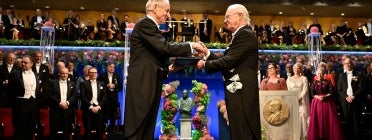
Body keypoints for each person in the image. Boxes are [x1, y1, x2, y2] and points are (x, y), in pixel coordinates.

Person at [123, 0, 205, 139]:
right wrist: (191, 45)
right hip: (142, 85)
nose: (168, 15)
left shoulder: (150, 26)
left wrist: (168, 68)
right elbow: (164, 48)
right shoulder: (145, 23)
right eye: (166, 10)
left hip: (149, 84)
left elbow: (152, 57)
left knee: (146, 128)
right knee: (139, 128)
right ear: (155, 8)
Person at [196, 4, 261, 139]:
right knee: (238, 131)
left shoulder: (245, 35)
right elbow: (228, 60)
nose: (225, 20)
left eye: (227, 17)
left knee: (243, 132)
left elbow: (228, 62)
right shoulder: (240, 35)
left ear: (240, 16)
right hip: (237, 94)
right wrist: (207, 53)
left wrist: (205, 64)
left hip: (242, 95)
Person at [8, 55, 40, 140]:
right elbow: (10, 90)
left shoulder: (36, 75)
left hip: (33, 103)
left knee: (31, 127)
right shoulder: (15, 74)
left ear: (31, 64)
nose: (23, 64)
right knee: (20, 128)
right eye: (22, 62)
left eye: (25, 62)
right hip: (20, 103)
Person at [308, 68, 344, 140]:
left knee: (328, 119)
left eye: (321, 73)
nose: (320, 75)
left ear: (324, 74)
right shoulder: (313, 83)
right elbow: (312, 93)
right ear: (316, 74)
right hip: (316, 103)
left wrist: (325, 96)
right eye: (318, 73)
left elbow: (331, 92)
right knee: (317, 119)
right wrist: (318, 97)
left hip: (327, 102)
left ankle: (328, 135)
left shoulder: (328, 82)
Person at [46, 67, 78, 140]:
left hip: (67, 110)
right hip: (55, 110)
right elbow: (49, 95)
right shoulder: (52, 82)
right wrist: (59, 103)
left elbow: (75, 95)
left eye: (66, 73)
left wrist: (67, 102)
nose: (65, 75)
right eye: (63, 73)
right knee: (53, 130)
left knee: (66, 130)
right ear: (59, 73)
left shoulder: (72, 83)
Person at [337, 57, 363, 140]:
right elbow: (339, 89)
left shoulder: (358, 74)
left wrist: (353, 96)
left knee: (356, 122)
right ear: (343, 65)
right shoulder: (341, 75)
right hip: (345, 101)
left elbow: (360, 88)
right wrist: (346, 97)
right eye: (346, 63)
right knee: (346, 122)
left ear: (352, 64)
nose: (348, 65)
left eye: (349, 63)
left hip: (355, 100)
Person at [80, 67, 107, 140]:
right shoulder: (83, 84)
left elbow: (104, 97)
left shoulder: (102, 84)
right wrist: (91, 107)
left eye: (95, 72)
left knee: (99, 131)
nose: (94, 74)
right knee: (88, 131)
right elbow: (83, 96)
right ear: (88, 74)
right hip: (88, 110)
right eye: (92, 72)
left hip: (99, 110)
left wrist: (98, 107)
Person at [286, 63, 310, 139]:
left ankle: (303, 136)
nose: (296, 70)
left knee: (302, 117)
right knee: (293, 117)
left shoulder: (304, 78)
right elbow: (288, 90)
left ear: (301, 69)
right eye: (295, 68)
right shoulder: (289, 79)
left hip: (302, 101)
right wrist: (293, 99)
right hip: (292, 100)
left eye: (298, 68)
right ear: (293, 69)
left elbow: (305, 90)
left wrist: (299, 98)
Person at [98, 62, 122, 133]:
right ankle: (104, 130)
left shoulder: (117, 76)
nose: (112, 68)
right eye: (111, 67)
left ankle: (112, 130)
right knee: (105, 115)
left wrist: (114, 86)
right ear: (107, 67)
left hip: (114, 99)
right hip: (105, 99)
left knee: (113, 115)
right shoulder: (102, 76)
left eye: (113, 67)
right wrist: (107, 85)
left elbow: (120, 87)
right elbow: (99, 86)